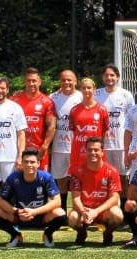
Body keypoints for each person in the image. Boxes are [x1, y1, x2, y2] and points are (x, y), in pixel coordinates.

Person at [0, 148, 65, 248]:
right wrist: (16, 211)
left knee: (60, 213)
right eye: (26, 162)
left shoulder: (46, 177)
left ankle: (47, 234)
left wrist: (35, 212)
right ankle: (15, 235)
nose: (29, 165)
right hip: (19, 216)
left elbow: (57, 201)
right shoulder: (13, 178)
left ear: (38, 163)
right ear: (22, 163)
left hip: (40, 216)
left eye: (32, 162)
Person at [67, 137, 123, 245]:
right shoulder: (77, 171)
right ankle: (82, 233)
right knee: (72, 218)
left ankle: (108, 233)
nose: (93, 152)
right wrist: (83, 212)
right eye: (89, 150)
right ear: (85, 151)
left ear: (102, 152)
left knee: (117, 215)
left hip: (103, 211)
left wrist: (96, 211)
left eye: (96, 150)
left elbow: (115, 198)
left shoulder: (112, 171)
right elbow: (75, 198)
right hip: (85, 211)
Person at [94, 64, 135, 186]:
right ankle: (105, 202)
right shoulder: (97, 95)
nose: (109, 78)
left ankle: (122, 204)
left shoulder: (126, 95)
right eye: (106, 75)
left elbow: (131, 119)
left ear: (117, 77)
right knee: (104, 175)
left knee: (123, 176)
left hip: (121, 144)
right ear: (103, 78)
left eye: (112, 75)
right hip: (103, 143)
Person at [49, 69, 83, 211]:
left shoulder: (82, 97)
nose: (66, 82)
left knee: (79, 178)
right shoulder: (53, 97)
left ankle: (80, 209)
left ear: (75, 81)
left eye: (70, 80)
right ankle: (62, 210)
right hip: (59, 146)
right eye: (63, 80)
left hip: (78, 145)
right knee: (61, 178)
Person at [11, 67, 56, 169]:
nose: (31, 83)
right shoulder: (14, 100)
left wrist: (44, 147)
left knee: (41, 182)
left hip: (39, 152)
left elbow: (52, 127)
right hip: (18, 151)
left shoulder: (47, 102)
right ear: (24, 82)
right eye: (28, 81)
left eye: (34, 81)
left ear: (39, 82)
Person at [68, 78, 110, 172]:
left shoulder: (102, 109)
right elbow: (73, 132)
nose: (86, 90)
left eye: (89, 88)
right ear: (80, 90)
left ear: (94, 89)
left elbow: (104, 132)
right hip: (78, 151)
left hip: (95, 151)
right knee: (77, 180)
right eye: (84, 88)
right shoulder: (74, 110)